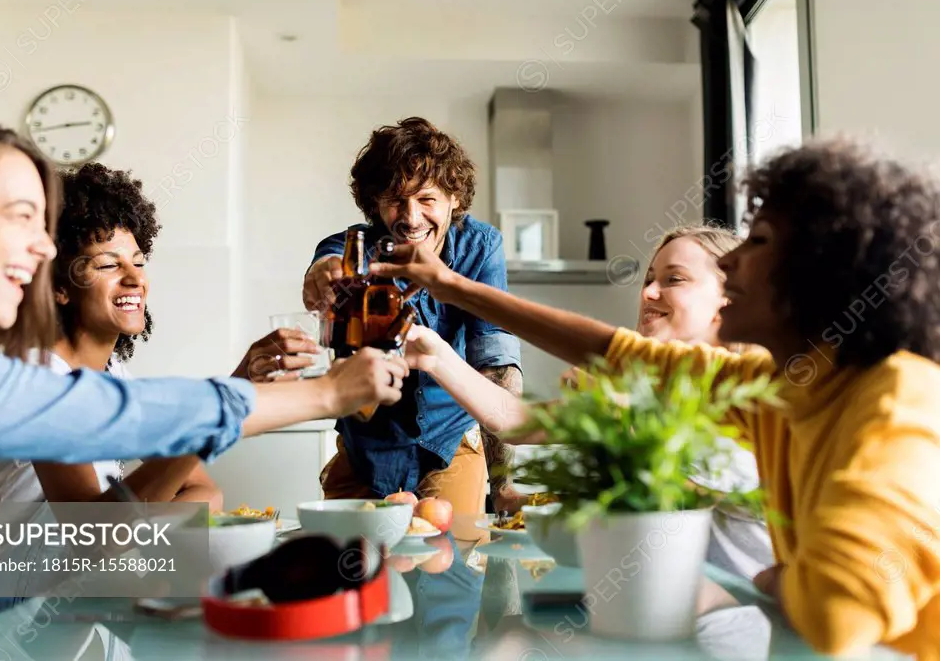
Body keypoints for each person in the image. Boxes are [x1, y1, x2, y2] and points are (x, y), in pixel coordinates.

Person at [372, 137, 940, 658]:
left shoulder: (897, 400)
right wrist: (446, 288)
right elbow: (606, 348)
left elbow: (838, 614)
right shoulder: (767, 383)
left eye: (760, 242)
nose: (736, 259)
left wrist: (774, 579)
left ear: (824, 271)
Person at [0, 108, 406, 649]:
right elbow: (99, 445)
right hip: (25, 600)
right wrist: (324, 392)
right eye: (19, 215)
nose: (45, 247)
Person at [403, 224, 775, 579]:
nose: (648, 292)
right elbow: (511, 420)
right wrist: (436, 357)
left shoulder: (755, 393)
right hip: (667, 604)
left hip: (748, 617)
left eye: (673, 279)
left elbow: (685, 504)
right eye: (648, 279)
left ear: (729, 297)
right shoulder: (646, 391)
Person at [302, 117, 523, 517]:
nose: (411, 217)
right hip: (365, 449)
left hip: (450, 445)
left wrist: (503, 484)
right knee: (355, 570)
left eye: (426, 198)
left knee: (448, 565)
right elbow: (329, 260)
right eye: (394, 199)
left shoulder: (480, 248)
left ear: (454, 198)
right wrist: (322, 274)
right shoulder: (357, 246)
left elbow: (495, 361)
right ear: (375, 205)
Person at [0, 163, 220, 510]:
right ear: (58, 286)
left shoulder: (113, 374)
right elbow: (95, 536)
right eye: (108, 265)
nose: (135, 278)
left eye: (138, 261)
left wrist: (135, 531)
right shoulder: (37, 382)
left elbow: (205, 491)